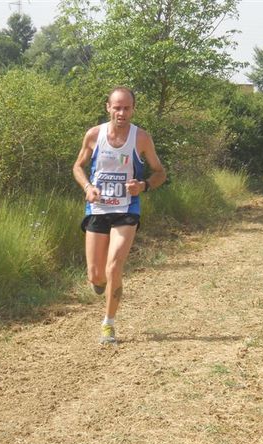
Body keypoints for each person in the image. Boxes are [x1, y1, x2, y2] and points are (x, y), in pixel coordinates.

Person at [72, 86, 166, 344]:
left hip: (126, 209)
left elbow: (160, 172)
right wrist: (88, 187)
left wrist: (143, 186)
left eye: (126, 108)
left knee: (115, 265)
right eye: (117, 107)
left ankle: (108, 324)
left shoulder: (141, 138)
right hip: (98, 209)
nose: (121, 112)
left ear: (133, 109)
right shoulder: (94, 135)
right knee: (96, 274)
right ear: (108, 108)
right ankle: (99, 282)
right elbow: (78, 167)